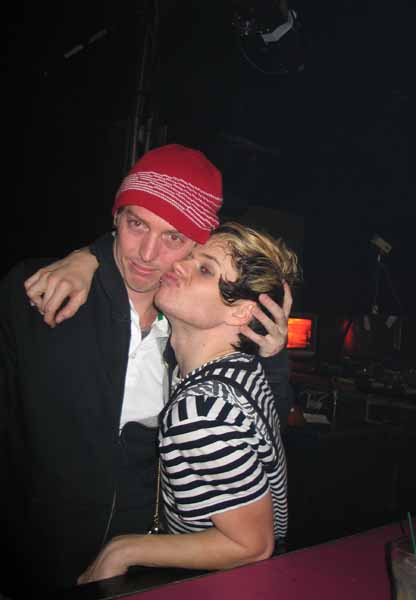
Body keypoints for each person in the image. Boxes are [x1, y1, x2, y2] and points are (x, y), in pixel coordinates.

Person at [0, 144, 292, 597]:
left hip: (141, 576)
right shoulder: (38, 293)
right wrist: (90, 255)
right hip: (28, 565)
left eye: (174, 237)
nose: (147, 254)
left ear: (197, 244)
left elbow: (256, 444)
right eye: (136, 224)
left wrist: (271, 359)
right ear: (115, 218)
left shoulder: (191, 327)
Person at [77, 221, 299, 583]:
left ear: (241, 313)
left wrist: (124, 550)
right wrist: (85, 258)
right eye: (190, 257)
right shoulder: (244, 368)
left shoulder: (201, 410)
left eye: (205, 269)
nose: (179, 265)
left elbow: (252, 546)